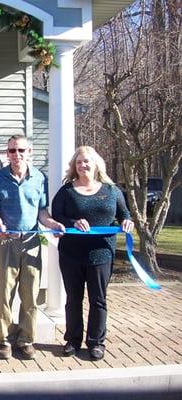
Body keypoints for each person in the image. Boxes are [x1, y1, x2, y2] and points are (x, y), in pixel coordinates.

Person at [52, 146, 133, 361]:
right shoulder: (66, 191)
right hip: (71, 254)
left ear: (96, 163)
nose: (83, 165)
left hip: (101, 253)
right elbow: (57, 216)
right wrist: (72, 222)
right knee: (73, 298)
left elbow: (124, 213)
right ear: (74, 166)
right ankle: (72, 340)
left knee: (98, 299)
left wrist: (127, 221)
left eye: (86, 161)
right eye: (78, 162)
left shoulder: (111, 190)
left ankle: (96, 342)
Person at [0, 134, 65, 360]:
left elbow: (42, 213)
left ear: (29, 152)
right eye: (12, 150)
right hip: (5, 242)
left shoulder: (40, 178)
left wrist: (53, 224)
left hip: (31, 243)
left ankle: (26, 339)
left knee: (30, 295)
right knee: (4, 294)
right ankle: (3, 340)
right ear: (7, 153)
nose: (16, 155)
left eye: (21, 150)